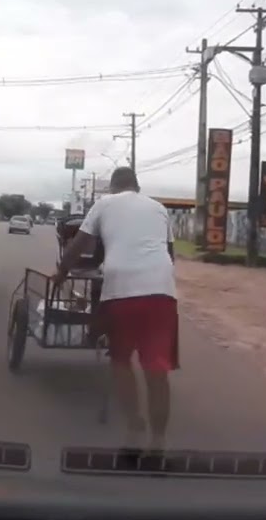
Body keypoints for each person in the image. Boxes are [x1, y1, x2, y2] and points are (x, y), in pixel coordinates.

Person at [53, 167, 178, 451]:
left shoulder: (104, 204)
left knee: (121, 361)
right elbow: (170, 254)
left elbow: (78, 246)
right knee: (157, 368)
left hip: (121, 290)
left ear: (113, 187)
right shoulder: (158, 208)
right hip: (161, 292)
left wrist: (61, 272)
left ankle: (135, 426)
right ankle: (159, 440)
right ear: (136, 186)